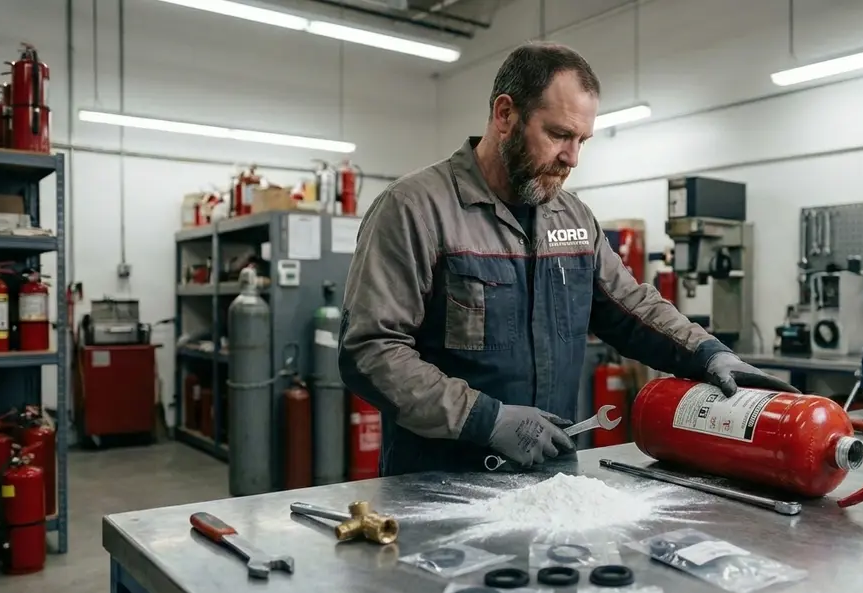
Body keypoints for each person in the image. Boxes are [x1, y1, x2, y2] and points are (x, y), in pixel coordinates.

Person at [338, 41, 798, 477]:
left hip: (551, 482)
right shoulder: (415, 209)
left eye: (582, 140)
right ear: (505, 114)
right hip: (437, 487)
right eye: (559, 134)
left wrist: (707, 354)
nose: (572, 158)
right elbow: (371, 351)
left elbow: (631, 306)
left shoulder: (572, 217)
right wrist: (485, 418)